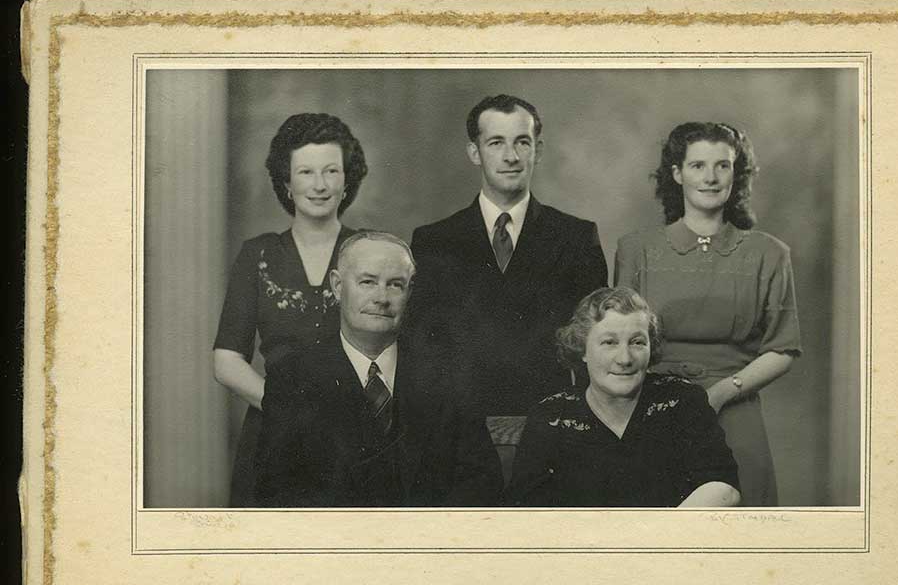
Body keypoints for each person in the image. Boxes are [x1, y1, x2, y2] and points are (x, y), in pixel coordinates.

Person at [614, 122, 802, 506]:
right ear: (677, 174)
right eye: (698, 165)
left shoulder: (769, 254)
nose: (711, 178)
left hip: (734, 402)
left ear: (738, 174)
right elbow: (622, 342)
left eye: (723, 166)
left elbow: (783, 349)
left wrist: (719, 394)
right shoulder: (636, 250)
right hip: (651, 405)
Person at [255, 231, 503, 507]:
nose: (381, 298)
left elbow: (481, 485)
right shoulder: (292, 377)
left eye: (395, 285)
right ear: (337, 286)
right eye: (367, 282)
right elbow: (276, 494)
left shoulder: (448, 374)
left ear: (409, 291)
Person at [408, 94, 608, 416]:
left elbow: (593, 341)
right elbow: (424, 346)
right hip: (458, 420)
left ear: (538, 151)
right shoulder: (434, 241)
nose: (511, 156)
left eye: (522, 143)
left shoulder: (576, 238)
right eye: (496, 143)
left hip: (552, 418)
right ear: (475, 152)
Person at [213, 113, 366, 507]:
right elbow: (227, 359)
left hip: (357, 434)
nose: (319, 185)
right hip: (272, 434)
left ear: (346, 180)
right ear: (286, 181)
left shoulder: (371, 251)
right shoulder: (258, 254)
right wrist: (287, 413)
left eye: (331, 170)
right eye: (306, 172)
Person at [506, 287, 740, 507]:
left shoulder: (683, 401)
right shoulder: (550, 417)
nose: (625, 359)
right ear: (582, 350)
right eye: (609, 342)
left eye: (637, 342)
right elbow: (527, 513)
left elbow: (723, 488)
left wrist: (656, 539)